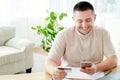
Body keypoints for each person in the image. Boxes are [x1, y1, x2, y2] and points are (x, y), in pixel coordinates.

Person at [45, 1, 117, 80]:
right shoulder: (63, 35)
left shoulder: (103, 33)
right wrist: (54, 71)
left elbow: (113, 59)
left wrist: (97, 68)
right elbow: (50, 61)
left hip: (95, 76)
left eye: (88, 20)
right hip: (68, 77)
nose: (84, 25)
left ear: (94, 18)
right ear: (73, 19)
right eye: (80, 21)